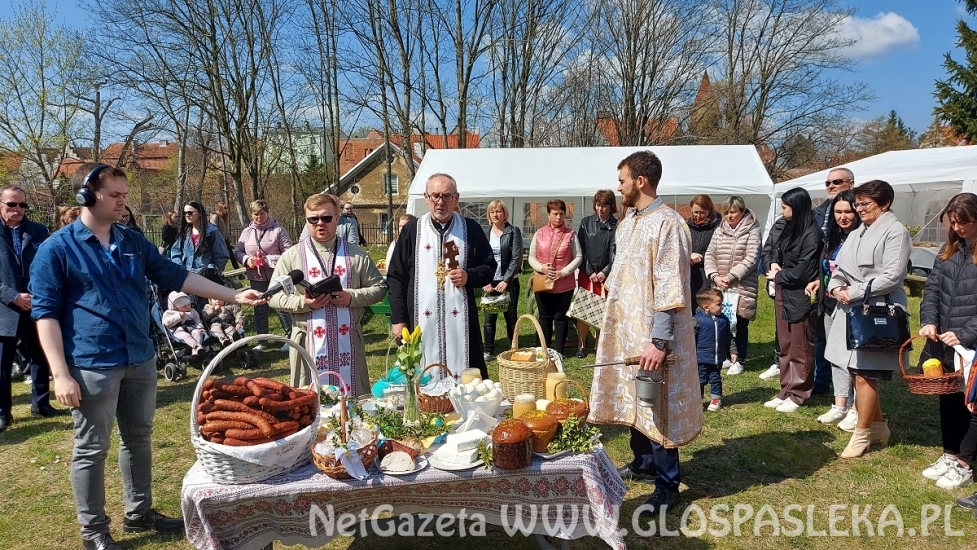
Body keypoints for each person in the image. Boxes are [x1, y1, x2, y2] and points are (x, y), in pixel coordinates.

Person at [29, 163, 266, 550]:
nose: (124, 202)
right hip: (91, 365)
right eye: (115, 195)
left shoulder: (132, 241)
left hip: (139, 357)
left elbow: (176, 276)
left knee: (138, 438)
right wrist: (61, 373)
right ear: (86, 197)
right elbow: (46, 315)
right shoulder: (57, 249)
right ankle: (94, 533)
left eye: (125, 195)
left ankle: (139, 513)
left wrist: (233, 295)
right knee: (92, 448)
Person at [589, 151, 702, 517]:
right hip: (628, 330)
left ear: (641, 180)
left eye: (622, 180)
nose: (617, 186)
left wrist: (658, 340)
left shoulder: (668, 223)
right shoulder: (627, 223)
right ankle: (643, 463)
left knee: (657, 404)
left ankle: (667, 485)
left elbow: (670, 286)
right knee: (636, 399)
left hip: (654, 336)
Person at [825, 179, 911, 458]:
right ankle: (877, 426)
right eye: (857, 204)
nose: (859, 209)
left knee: (865, 374)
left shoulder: (896, 232)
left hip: (877, 311)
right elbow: (841, 266)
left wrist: (855, 291)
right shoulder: (859, 231)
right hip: (850, 307)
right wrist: (836, 286)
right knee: (855, 370)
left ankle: (861, 435)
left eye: (865, 204)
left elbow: (893, 276)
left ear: (885, 204)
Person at [269, 193, 386, 392]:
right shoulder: (292, 256)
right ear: (306, 220)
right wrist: (303, 303)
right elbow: (273, 297)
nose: (320, 224)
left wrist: (352, 297)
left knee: (353, 407)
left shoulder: (357, 255)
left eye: (326, 218)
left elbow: (379, 289)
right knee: (309, 404)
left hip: (347, 340)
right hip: (308, 343)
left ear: (337, 218)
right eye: (313, 219)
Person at [387, 173, 497, 380]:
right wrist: (399, 319)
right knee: (420, 377)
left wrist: (469, 276)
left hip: (461, 320)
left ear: (456, 198)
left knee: (468, 382)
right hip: (419, 319)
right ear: (426, 197)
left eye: (447, 196)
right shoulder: (412, 231)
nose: (441, 202)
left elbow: (489, 266)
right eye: (435, 196)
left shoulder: (470, 229)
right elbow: (396, 277)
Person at [918, 193, 977, 489]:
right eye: (953, 222)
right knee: (949, 399)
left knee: (972, 404)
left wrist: (966, 333)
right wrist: (929, 320)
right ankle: (950, 454)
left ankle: (965, 463)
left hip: (970, 346)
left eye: (963, 221)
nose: (957, 227)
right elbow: (931, 292)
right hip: (945, 343)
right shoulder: (949, 250)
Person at [0, 185, 63, 434]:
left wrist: (39, 294)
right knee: (2, 365)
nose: (18, 210)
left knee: (40, 356)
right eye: (12, 205)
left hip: (36, 305)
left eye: (23, 205)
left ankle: (41, 403)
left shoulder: (38, 231)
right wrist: (13, 296)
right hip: (5, 307)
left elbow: (48, 265)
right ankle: (3, 412)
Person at [765, 187, 822, 413]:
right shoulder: (789, 227)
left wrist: (779, 275)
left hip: (801, 295)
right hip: (784, 291)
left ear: (796, 208)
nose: (782, 210)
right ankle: (786, 389)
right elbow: (773, 248)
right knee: (786, 344)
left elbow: (804, 270)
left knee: (801, 346)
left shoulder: (811, 233)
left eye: (785, 207)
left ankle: (800, 393)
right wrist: (774, 263)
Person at [806, 191, 861, 427]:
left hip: (854, 306)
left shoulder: (862, 238)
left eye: (848, 211)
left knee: (856, 360)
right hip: (830, 305)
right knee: (836, 355)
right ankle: (840, 404)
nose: (843, 217)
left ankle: (858, 407)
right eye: (838, 212)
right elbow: (829, 267)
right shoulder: (833, 237)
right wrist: (821, 280)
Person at [703, 195, 760, 375]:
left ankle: (740, 358)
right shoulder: (720, 230)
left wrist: (731, 276)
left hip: (742, 285)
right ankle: (726, 356)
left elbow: (752, 257)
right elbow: (710, 254)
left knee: (740, 322)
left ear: (742, 211)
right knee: (723, 321)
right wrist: (714, 276)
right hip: (721, 285)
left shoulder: (752, 229)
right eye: (726, 212)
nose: (729, 216)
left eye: (733, 212)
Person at [811, 167, 855, 395]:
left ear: (851, 183)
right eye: (827, 182)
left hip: (852, 300)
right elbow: (825, 257)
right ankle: (828, 387)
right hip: (827, 298)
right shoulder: (822, 217)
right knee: (827, 344)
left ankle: (852, 399)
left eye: (836, 181)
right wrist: (820, 280)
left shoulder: (863, 230)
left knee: (849, 351)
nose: (830, 186)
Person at [234, 200, 293, 351]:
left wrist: (268, 260)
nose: (259, 217)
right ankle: (262, 340)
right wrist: (248, 260)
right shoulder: (246, 232)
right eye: (255, 214)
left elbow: (290, 253)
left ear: (267, 213)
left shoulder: (278, 230)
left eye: (262, 213)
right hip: (256, 276)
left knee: (280, 305)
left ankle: (290, 339)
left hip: (276, 276)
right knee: (259, 308)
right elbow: (238, 252)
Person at [528, 199, 583, 357]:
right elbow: (531, 257)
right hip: (542, 283)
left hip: (564, 284)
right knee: (544, 318)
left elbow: (578, 256)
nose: (558, 217)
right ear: (548, 214)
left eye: (561, 213)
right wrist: (542, 268)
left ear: (565, 214)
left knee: (560, 318)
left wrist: (563, 272)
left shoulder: (570, 235)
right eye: (555, 214)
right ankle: (544, 350)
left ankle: (559, 351)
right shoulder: (539, 233)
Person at [574, 190, 617, 359]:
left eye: (604, 205)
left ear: (611, 206)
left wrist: (606, 271)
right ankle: (582, 345)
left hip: (607, 275)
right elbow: (580, 249)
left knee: (604, 312)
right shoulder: (586, 223)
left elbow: (617, 252)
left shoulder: (617, 225)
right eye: (598, 205)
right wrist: (590, 271)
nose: (600, 209)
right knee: (584, 312)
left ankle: (600, 345)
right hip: (588, 274)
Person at [482, 200, 523, 360]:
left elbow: (516, 258)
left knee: (510, 316)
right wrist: (484, 280)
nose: (495, 215)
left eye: (499, 211)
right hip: (490, 281)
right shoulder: (485, 233)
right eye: (492, 212)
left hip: (509, 282)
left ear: (505, 213)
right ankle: (488, 351)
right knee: (489, 318)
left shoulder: (513, 231)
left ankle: (513, 349)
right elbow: (481, 258)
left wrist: (506, 280)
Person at [694, 288, 735, 412]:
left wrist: (733, 351)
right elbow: (691, 340)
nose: (722, 307)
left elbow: (729, 337)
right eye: (718, 304)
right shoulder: (697, 320)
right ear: (706, 307)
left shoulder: (723, 320)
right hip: (700, 358)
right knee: (699, 380)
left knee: (715, 379)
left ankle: (716, 399)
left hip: (717, 358)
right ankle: (697, 401)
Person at [758, 215, 787, 381]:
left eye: (786, 207)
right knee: (780, 324)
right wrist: (770, 265)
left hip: (793, 282)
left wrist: (783, 271)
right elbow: (767, 249)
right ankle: (778, 362)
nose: (783, 211)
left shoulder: (805, 226)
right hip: (776, 281)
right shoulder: (779, 224)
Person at [169, 201, 230, 274]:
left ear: (200, 213)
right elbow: (175, 250)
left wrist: (212, 271)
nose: (187, 215)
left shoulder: (212, 233)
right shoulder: (185, 233)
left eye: (190, 212)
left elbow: (222, 256)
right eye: (185, 213)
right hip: (186, 276)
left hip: (205, 278)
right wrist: (180, 268)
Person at [688, 194, 721, 294]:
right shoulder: (686, 226)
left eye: (702, 213)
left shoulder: (718, 228)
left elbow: (720, 251)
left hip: (708, 275)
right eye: (695, 212)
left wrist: (701, 257)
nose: (698, 216)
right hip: (689, 275)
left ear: (709, 211)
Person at [162, 291, 207, 356]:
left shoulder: (193, 311)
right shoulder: (169, 313)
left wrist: (200, 327)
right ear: (176, 307)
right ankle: (196, 346)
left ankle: (196, 350)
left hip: (191, 329)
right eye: (184, 306)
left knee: (198, 332)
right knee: (185, 335)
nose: (188, 307)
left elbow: (197, 320)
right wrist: (178, 316)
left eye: (189, 305)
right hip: (178, 331)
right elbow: (166, 322)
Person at [210, 201, 240, 269]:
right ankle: (217, 270)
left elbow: (226, 230)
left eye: (227, 208)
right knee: (222, 256)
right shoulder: (215, 217)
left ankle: (238, 272)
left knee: (231, 255)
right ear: (220, 209)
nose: (226, 210)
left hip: (225, 239)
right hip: (219, 241)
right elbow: (213, 229)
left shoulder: (223, 217)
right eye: (224, 208)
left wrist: (228, 239)